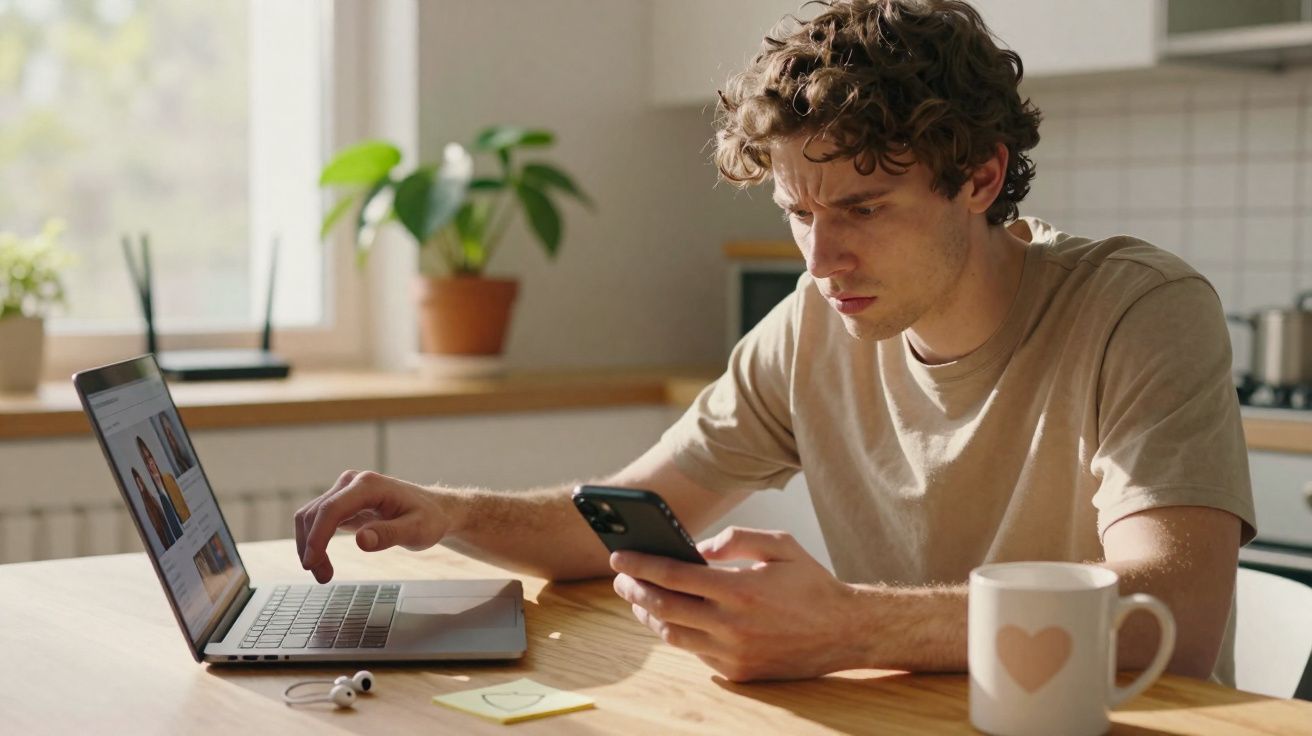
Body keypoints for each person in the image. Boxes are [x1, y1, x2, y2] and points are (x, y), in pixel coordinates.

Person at [294, 0, 1255, 685]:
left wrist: (849, 627)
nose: (823, 256)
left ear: (980, 177)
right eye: (799, 212)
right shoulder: (812, 324)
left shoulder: (1140, 311)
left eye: (865, 208)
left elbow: (1163, 615)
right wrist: (445, 508)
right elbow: (621, 516)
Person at [138, 435, 191, 525]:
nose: (150, 463)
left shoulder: (169, 478)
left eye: (150, 457)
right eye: (146, 460)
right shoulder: (152, 497)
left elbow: (186, 511)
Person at [132, 467, 175, 553]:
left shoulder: (153, 498)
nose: (140, 486)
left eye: (140, 481)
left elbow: (163, 518)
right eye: (138, 484)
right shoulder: (146, 504)